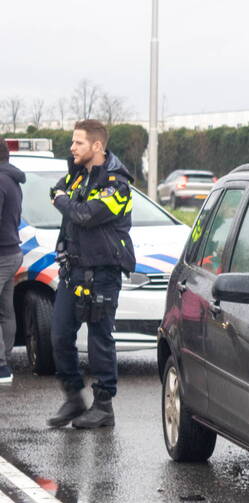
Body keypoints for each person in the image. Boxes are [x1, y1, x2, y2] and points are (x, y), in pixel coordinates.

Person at [47, 120, 135, 428]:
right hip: (73, 271)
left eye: (78, 143)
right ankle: (73, 399)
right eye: (73, 142)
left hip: (103, 273)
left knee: (100, 340)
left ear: (97, 146)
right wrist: (63, 198)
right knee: (59, 335)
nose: (72, 148)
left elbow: (84, 215)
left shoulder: (117, 185)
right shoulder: (77, 175)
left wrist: (62, 200)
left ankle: (103, 406)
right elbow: (56, 190)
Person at [0, 139, 27, 384]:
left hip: (2, 255)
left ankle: (1, 366)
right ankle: (4, 363)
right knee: (5, 310)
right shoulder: (12, 179)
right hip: (11, 252)